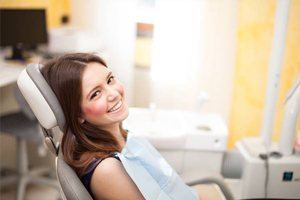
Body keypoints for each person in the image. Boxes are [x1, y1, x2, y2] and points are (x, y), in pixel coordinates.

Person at [41, 53, 218, 200]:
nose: (113, 94)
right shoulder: (107, 170)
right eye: (95, 94)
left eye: (110, 80)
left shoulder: (120, 138)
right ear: (77, 115)